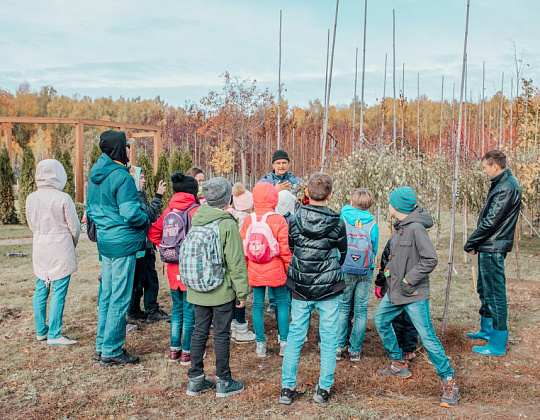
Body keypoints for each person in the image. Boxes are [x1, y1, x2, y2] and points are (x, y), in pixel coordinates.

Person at [373, 187, 460, 409]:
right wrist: (389, 272)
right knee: (380, 320)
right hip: (395, 291)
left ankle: (448, 380)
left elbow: (430, 259)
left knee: (427, 335)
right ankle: (397, 363)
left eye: (391, 202)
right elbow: (400, 256)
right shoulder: (401, 227)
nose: (389, 205)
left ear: (398, 207)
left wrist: (408, 280)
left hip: (412, 293)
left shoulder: (416, 228)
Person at [279, 172, 347, 405]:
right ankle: (323, 389)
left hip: (302, 286)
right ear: (330, 194)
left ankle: (287, 388)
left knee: (295, 335)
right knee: (329, 339)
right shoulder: (338, 221)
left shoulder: (295, 219)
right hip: (329, 287)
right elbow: (344, 252)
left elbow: (291, 245)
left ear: (306, 193)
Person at [87, 130, 150, 366]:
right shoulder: (122, 177)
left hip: (106, 241)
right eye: (126, 147)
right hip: (123, 242)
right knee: (120, 298)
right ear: (118, 149)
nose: (128, 152)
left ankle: (101, 345)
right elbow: (130, 212)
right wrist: (145, 218)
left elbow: (91, 210)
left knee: (106, 295)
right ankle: (112, 350)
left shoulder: (95, 175)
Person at [185, 177, 249, 398]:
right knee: (221, 334)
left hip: (197, 289)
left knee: (198, 332)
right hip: (221, 290)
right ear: (227, 198)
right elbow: (236, 262)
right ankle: (224, 381)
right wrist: (241, 292)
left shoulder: (197, 218)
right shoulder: (227, 223)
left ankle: (195, 380)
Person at [464, 150, 522, 356]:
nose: (485, 171)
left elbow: (491, 222)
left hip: (493, 247)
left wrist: (471, 242)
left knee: (495, 293)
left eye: (485, 167)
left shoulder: (506, 187)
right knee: (484, 288)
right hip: (488, 246)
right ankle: (487, 330)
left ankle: (497, 344)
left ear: (495, 167)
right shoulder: (502, 183)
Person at [26, 159, 81, 346]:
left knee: (41, 288)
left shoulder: (31, 198)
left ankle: (41, 330)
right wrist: (72, 242)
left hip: (40, 245)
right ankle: (55, 333)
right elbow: (74, 226)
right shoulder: (63, 198)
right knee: (58, 291)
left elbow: (31, 224)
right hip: (60, 245)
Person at [148, 172, 200, 365]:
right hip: (190, 268)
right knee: (189, 310)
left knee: (176, 309)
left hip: (171, 268)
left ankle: (174, 350)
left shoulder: (169, 210)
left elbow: (153, 230)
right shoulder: (195, 210)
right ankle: (187, 352)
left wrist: (163, 246)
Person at [240, 182, 292, 357]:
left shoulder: (249, 220)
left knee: (257, 305)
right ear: (274, 198)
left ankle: (260, 344)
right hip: (276, 269)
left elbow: (244, 249)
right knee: (282, 304)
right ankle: (284, 342)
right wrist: (288, 269)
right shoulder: (279, 220)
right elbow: (285, 249)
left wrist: (247, 271)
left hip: (255, 268)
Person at [336, 188, 379, 361]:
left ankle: (338, 347)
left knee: (343, 307)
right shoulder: (372, 224)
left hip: (345, 268)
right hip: (365, 270)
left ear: (352, 202)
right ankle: (355, 350)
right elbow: (374, 247)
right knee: (361, 310)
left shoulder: (343, 218)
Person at [127, 166, 170, 324]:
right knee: (148, 278)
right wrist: (158, 196)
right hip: (141, 245)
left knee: (140, 277)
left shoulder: (140, 195)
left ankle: (134, 309)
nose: (144, 180)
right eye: (141, 177)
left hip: (144, 244)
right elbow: (149, 216)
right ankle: (150, 310)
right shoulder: (134, 197)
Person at [374, 239, 419, 361]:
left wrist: (380, 282)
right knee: (410, 316)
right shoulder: (419, 241)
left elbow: (385, 264)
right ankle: (408, 349)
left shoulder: (393, 241)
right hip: (413, 283)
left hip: (396, 284)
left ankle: (398, 348)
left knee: (396, 316)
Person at [227, 182, 256, 343]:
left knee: (231, 294)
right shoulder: (249, 220)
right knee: (240, 294)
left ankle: (231, 323)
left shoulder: (229, 216)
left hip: (229, 262)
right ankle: (240, 328)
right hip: (242, 262)